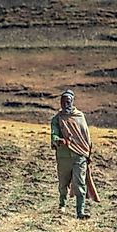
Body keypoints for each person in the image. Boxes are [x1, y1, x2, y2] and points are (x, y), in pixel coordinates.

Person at [50, 89, 97, 219]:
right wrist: (57, 140)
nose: (66, 104)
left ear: (72, 102)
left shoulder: (79, 117)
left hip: (79, 155)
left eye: (68, 101)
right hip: (63, 156)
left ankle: (80, 211)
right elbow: (54, 133)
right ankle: (62, 205)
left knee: (80, 183)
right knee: (63, 183)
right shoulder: (57, 119)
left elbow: (85, 135)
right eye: (63, 102)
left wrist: (87, 152)